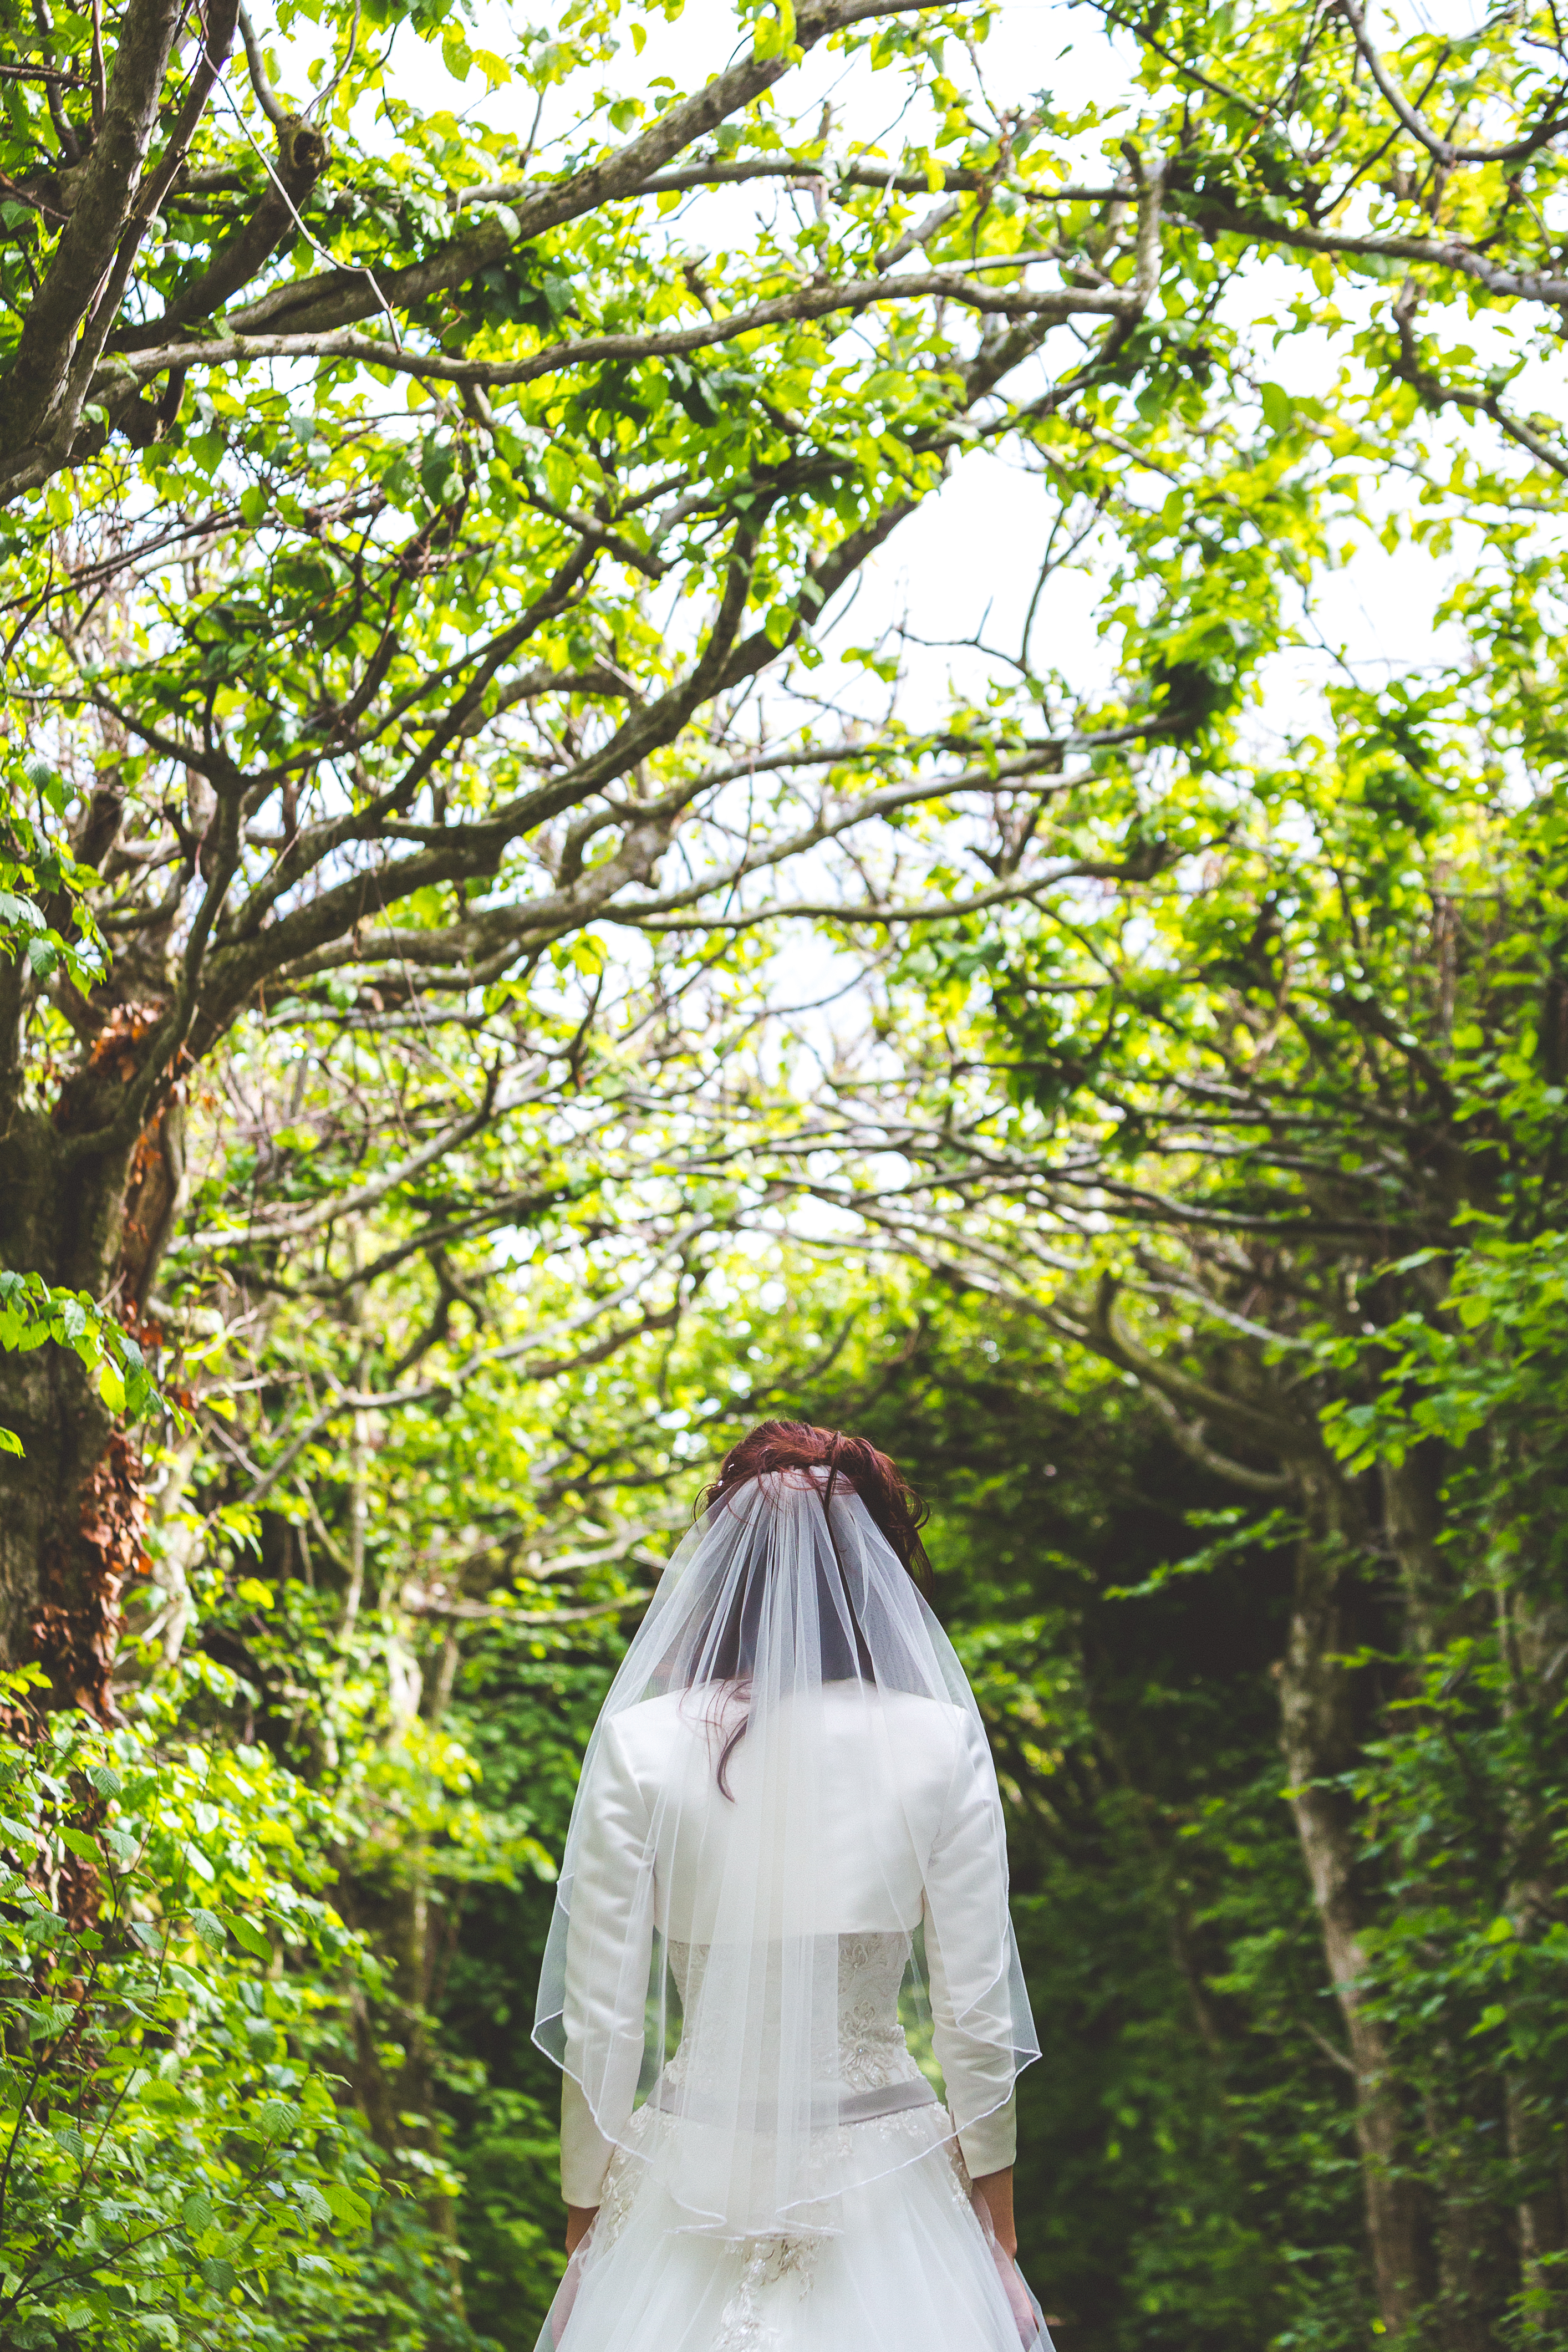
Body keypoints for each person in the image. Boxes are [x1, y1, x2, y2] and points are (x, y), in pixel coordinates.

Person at [532, 1419, 1050, 2352]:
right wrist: (997, 2227)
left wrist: (585, 2217)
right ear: (874, 1571)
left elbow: (601, 2017)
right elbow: (976, 2008)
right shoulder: (938, 1740)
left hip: (689, 2177)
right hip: (888, 2182)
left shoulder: (641, 1744)